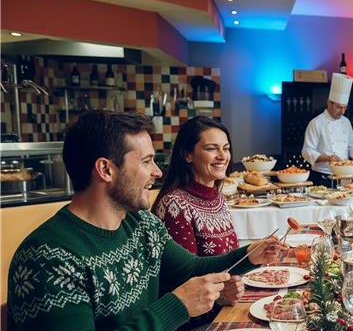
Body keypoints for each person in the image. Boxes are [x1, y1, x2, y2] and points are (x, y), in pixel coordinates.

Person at [7, 111, 287, 331]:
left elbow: (192, 268)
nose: (156, 172)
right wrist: (176, 306)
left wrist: (251, 254)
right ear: (106, 169)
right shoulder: (48, 258)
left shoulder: (141, 225)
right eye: (146, 162)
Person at [151, 116, 241, 329]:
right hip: (196, 323)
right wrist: (221, 296)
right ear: (187, 154)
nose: (222, 156)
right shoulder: (175, 205)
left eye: (226, 148)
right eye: (212, 148)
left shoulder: (217, 196)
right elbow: (182, 284)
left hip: (225, 309)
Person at [302, 73, 353, 184]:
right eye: (339, 107)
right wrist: (326, 158)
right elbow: (307, 151)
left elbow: (352, 145)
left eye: (345, 107)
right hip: (322, 177)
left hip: (344, 176)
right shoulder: (316, 123)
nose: (342, 111)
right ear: (328, 103)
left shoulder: (346, 122)